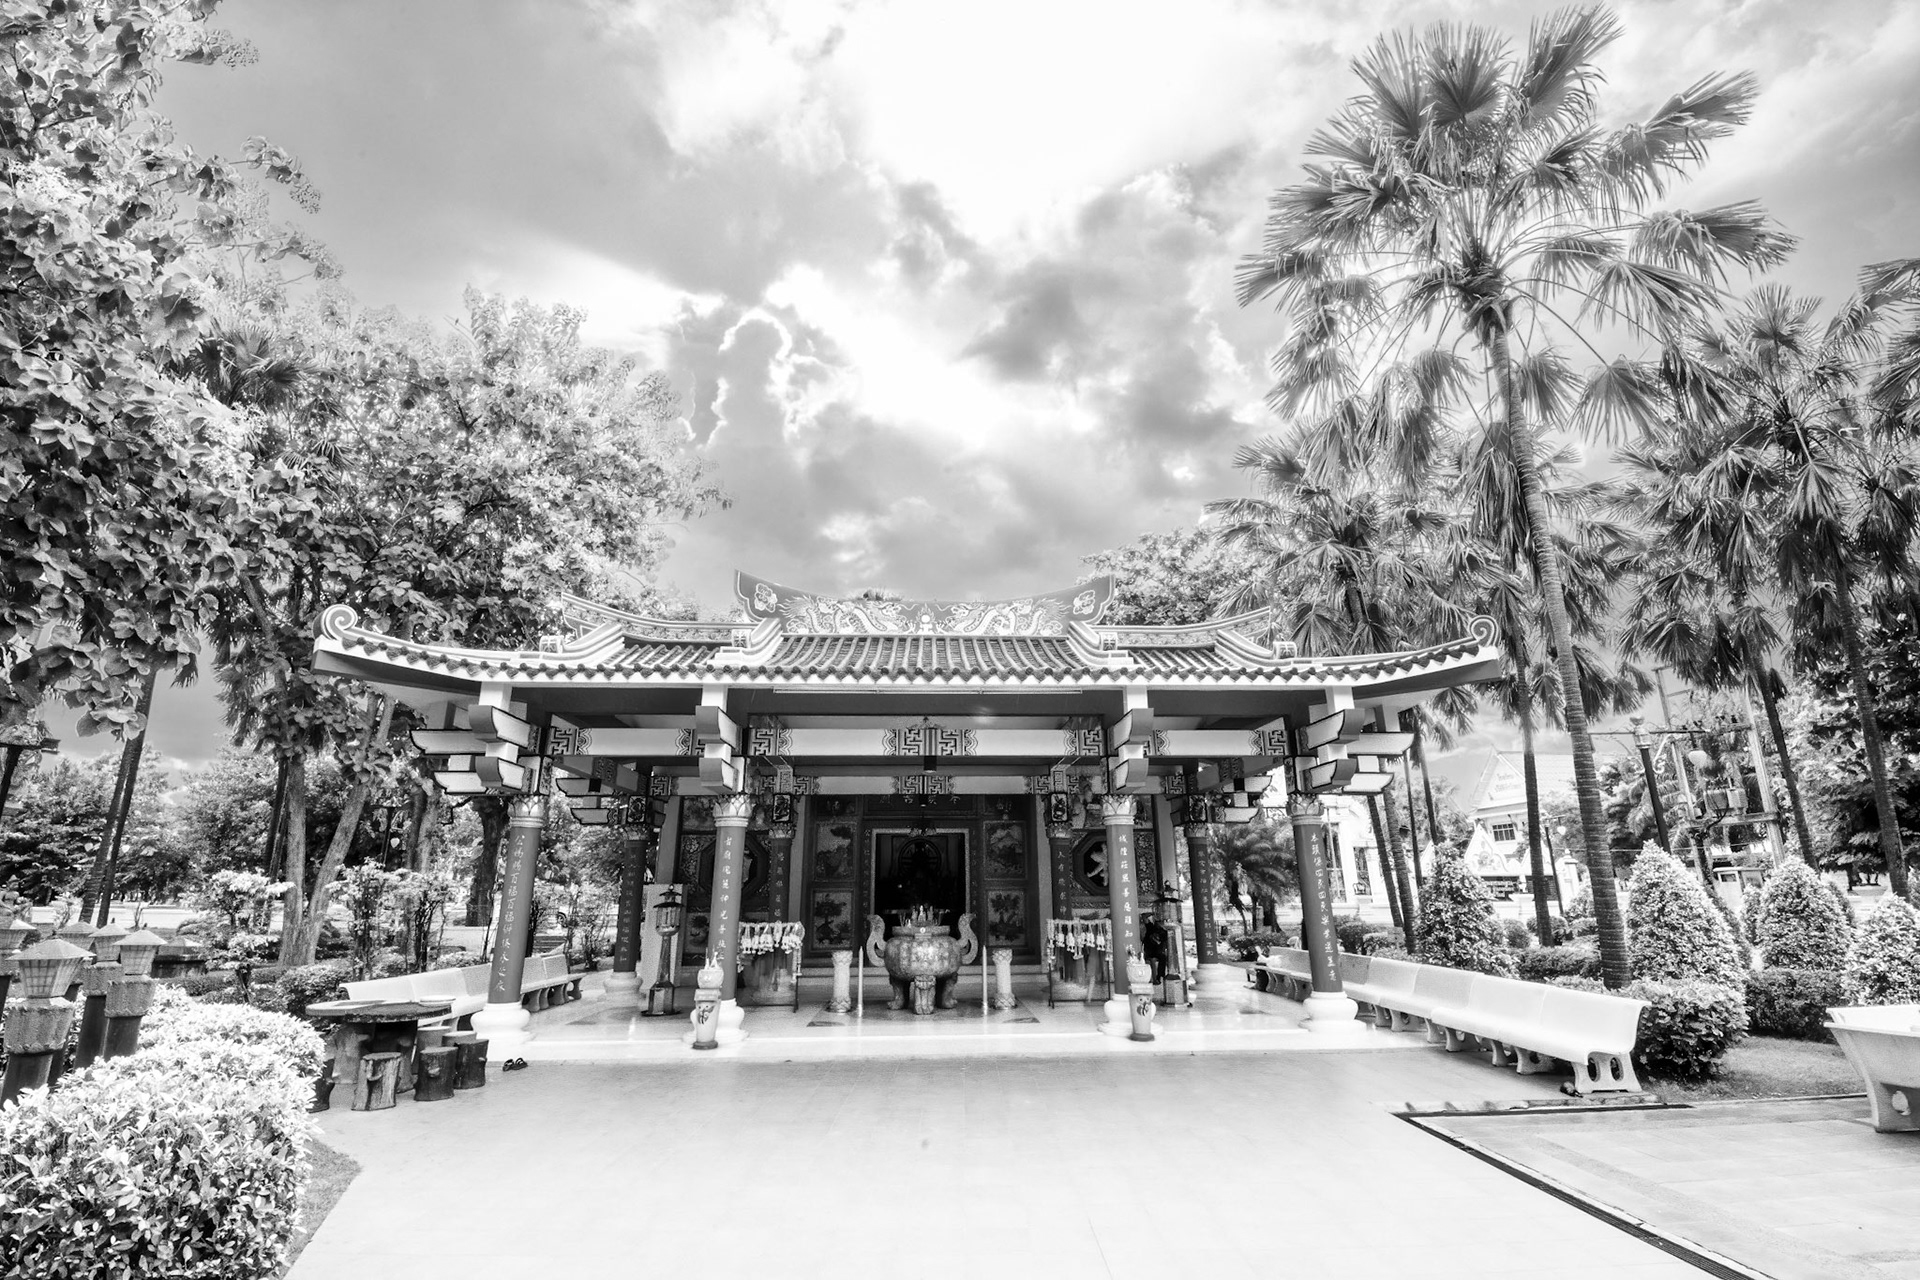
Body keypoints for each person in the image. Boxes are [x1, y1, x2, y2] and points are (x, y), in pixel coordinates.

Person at [1140, 913, 1171, 984]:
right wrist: (1150, 914)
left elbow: (1165, 943)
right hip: (1149, 951)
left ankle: (1160, 976)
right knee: (1153, 960)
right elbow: (1145, 918)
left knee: (1163, 958)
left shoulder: (1164, 932)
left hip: (1158, 952)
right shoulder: (1151, 927)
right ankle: (1156, 978)